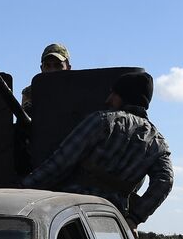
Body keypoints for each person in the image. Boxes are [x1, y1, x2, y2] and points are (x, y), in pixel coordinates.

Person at [21, 70, 174, 228]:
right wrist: (134, 219)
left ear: (125, 96)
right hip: (112, 223)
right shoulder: (158, 142)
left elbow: (59, 163)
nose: (108, 100)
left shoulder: (101, 121)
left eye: (114, 94)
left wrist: (21, 191)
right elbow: (165, 182)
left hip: (70, 216)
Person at [20, 42, 71, 112]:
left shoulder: (79, 89)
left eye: (58, 65)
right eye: (47, 66)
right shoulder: (31, 92)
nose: (52, 70)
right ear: (41, 68)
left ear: (68, 68)